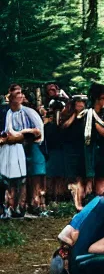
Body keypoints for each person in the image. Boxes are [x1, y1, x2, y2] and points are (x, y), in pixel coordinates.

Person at [0, 83, 44, 218]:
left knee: (24, 179)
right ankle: (8, 206)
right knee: (7, 178)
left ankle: (23, 206)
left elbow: (38, 132)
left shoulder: (29, 112)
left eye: (21, 93)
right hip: (9, 148)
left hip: (29, 146)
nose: (20, 96)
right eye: (16, 93)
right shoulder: (5, 113)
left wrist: (22, 135)